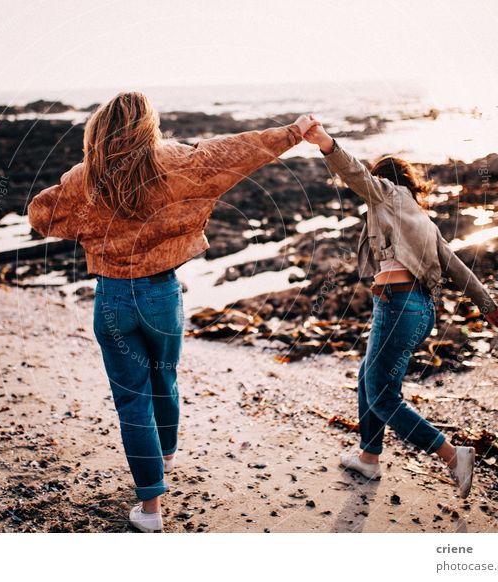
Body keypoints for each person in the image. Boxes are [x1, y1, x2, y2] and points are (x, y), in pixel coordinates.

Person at [28, 91, 317, 531]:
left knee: (132, 402)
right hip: (162, 294)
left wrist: (87, 215)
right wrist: (295, 131)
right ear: (148, 126)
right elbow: (240, 151)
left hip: (113, 300)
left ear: (98, 131)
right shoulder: (178, 162)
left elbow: (40, 216)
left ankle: (150, 510)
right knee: (164, 377)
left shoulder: (83, 179)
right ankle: (164, 456)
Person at [302, 118, 498, 498]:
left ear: (385, 179)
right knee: (370, 378)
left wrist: (326, 142)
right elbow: (453, 264)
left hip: (399, 305)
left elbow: (355, 173)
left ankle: (450, 455)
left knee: (381, 393)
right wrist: (487, 304)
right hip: (418, 309)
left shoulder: (386, 195)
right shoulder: (420, 217)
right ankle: (368, 456)